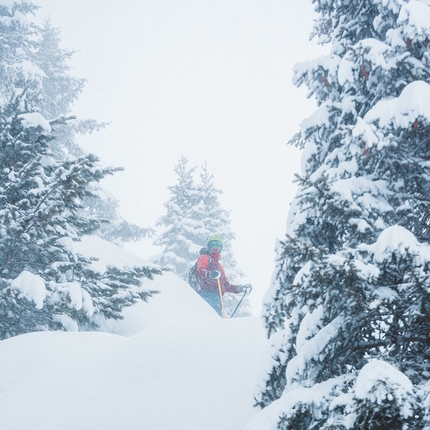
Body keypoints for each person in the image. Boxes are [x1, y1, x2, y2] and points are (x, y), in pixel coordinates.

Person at [196, 236, 244, 317]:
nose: (215, 248)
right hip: (207, 293)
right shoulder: (205, 257)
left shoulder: (219, 266)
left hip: (217, 297)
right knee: (212, 318)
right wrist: (209, 274)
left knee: (216, 318)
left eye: (218, 245)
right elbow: (200, 271)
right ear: (209, 247)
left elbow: (226, 285)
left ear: (221, 249)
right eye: (212, 245)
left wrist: (239, 288)